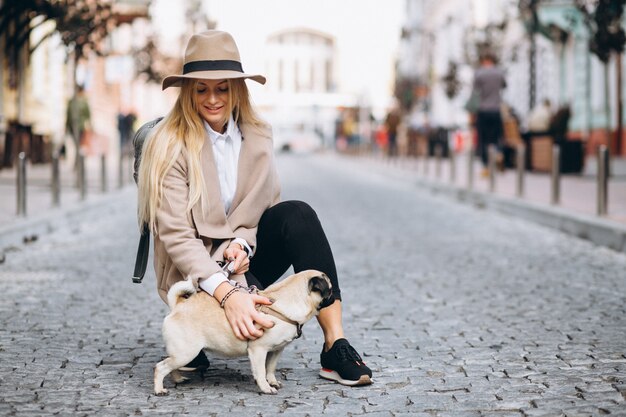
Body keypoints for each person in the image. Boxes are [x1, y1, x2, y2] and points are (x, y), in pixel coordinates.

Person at [136, 30, 372, 387]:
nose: (212, 99)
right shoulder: (170, 145)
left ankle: (334, 344)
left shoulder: (257, 135)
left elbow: (262, 208)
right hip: (195, 272)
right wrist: (228, 294)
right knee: (198, 352)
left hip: (241, 265)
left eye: (222, 88)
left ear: (237, 89)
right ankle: (199, 334)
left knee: (298, 214)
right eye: (201, 89)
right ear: (188, 92)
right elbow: (176, 236)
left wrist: (242, 244)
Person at [471, 52, 506, 175]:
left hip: (483, 110)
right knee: (497, 137)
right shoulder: (499, 73)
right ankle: (499, 153)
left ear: (484, 61)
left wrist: (472, 111)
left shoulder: (479, 74)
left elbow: (475, 93)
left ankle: (486, 167)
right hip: (496, 110)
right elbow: (504, 86)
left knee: (483, 140)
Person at [65, 85, 91, 169]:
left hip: (76, 127)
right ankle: (78, 163)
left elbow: (68, 116)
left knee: (77, 146)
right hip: (77, 127)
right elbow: (88, 115)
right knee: (78, 146)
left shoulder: (73, 101)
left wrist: (67, 126)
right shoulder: (82, 102)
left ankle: (77, 163)